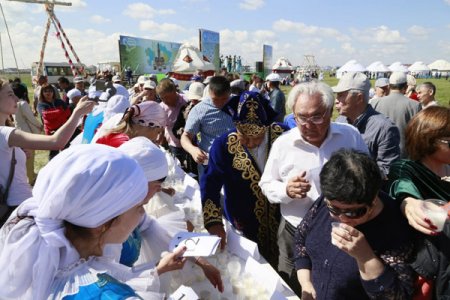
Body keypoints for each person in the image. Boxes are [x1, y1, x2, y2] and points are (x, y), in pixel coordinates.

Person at [0, 144, 188, 299]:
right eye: (139, 206)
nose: (142, 214)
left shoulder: (52, 266)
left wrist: (159, 269)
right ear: (104, 223)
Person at [259, 80, 368, 295]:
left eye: (317, 116)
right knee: (292, 282)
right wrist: (286, 191)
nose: (309, 125)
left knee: (334, 285)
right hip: (294, 229)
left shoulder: (350, 136)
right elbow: (266, 183)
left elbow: (368, 175)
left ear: (329, 112)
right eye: (301, 117)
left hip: (341, 229)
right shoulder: (284, 144)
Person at [294, 149, 415, 300]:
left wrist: (365, 256)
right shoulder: (330, 198)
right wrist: (306, 283)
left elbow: (398, 296)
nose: (342, 218)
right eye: (334, 209)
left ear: (373, 200)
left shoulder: (395, 228)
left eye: (353, 212)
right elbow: (301, 238)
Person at [118, 137, 224, 293]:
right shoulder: (104, 223)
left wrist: (202, 262)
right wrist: (158, 269)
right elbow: (105, 282)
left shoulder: (135, 210)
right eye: (156, 186)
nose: (158, 192)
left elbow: (162, 233)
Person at [201, 91, 287, 268]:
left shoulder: (284, 136)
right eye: (244, 137)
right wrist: (213, 221)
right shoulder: (223, 145)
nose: (249, 143)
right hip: (243, 221)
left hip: (282, 218)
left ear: (266, 128)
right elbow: (210, 184)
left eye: (256, 138)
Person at [0, 78, 94, 224]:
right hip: (16, 206)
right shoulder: (5, 133)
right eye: (10, 94)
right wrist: (77, 113)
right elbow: (56, 142)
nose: (16, 98)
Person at [387, 106, 450, 299]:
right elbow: (401, 186)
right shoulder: (406, 167)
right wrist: (409, 203)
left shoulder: (447, 166)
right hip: (427, 263)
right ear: (427, 140)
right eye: (449, 141)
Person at [333, 72, 400, 178]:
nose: (337, 100)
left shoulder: (384, 128)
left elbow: (387, 170)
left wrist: (353, 179)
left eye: (341, 95)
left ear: (359, 98)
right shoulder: (340, 122)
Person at [181, 76, 235, 179]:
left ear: (229, 93)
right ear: (209, 93)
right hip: (209, 164)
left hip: (237, 163)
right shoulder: (199, 110)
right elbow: (186, 136)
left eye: (224, 99)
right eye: (215, 99)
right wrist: (193, 150)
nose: (220, 103)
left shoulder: (240, 105)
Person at [371, 72, 421, 157]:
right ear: (406, 87)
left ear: (389, 86)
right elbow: (417, 133)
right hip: (404, 154)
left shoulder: (375, 102)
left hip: (379, 152)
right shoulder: (415, 105)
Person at [96, 101, 166, 147]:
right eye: (158, 132)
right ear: (149, 125)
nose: (157, 138)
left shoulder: (110, 135)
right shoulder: (131, 148)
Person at [11, 82, 42, 184]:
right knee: (29, 158)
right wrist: (40, 125)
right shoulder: (23, 103)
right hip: (27, 133)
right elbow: (31, 119)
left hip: (17, 131)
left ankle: (30, 175)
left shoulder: (13, 104)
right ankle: (31, 178)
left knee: (23, 157)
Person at [157, 78, 188, 167]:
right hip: (175, 144)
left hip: (191, 142)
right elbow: (161, 128)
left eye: (167, 97)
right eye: (162, 98)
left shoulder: (186, 101)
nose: (165, 101)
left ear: (174, 92)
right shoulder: (161, 108)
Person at [37, 84, 72, 160]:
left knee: (66, 149)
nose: (48, 93)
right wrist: (60, 112)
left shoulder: (59, 101)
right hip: (51, 131)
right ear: (42, 93)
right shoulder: (41, 104)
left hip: (63, 129)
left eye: (50, 91)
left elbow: (68, 112)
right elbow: (46, 115)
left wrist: (55, 115)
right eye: (45, 91)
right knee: (54, 153)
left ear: (53, 92)